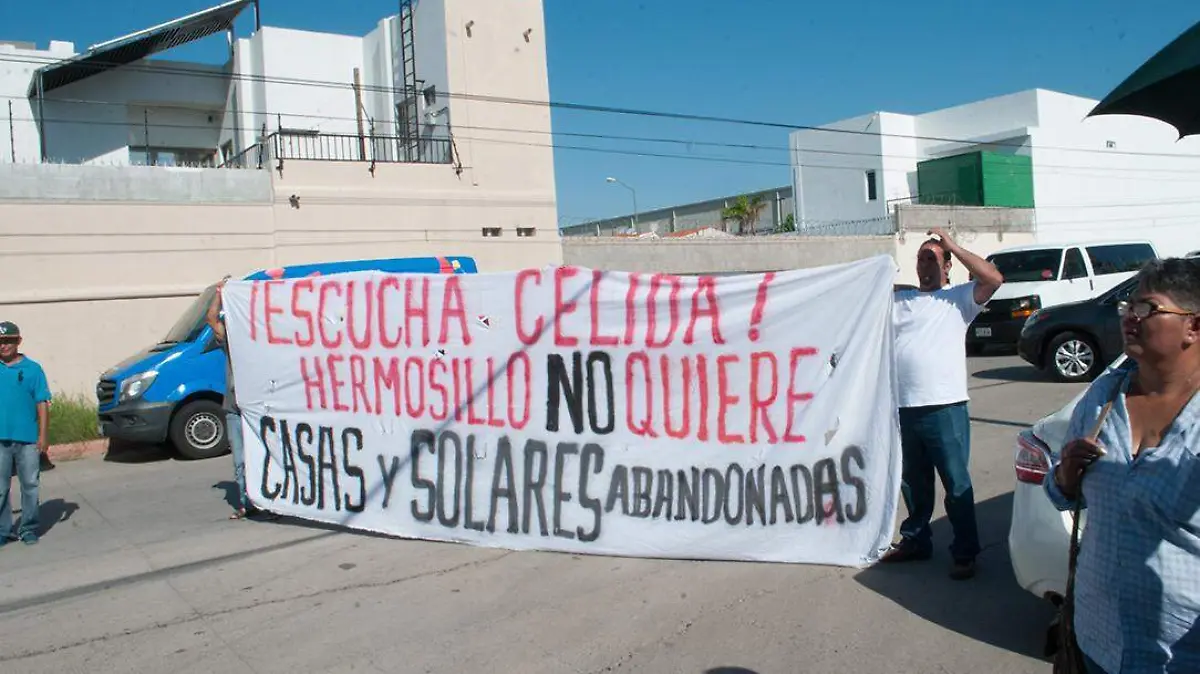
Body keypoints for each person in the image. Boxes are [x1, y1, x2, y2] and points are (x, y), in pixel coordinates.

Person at [1045, 257, 1200, 673]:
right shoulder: (1103, 395)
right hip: (1097, 638)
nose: (1130, 317)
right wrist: (1064, 476)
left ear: (1194, 326)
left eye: (1147, 308)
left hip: (1179, 650)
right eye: (1127, 307)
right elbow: (1062, 493)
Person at [882, 228, 1004, 579]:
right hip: (904, 408)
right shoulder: (900, 301)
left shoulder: (959, 298)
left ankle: (965, 551)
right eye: (921, 257)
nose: (925, 263)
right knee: (913, 483)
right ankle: (916, 541)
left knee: (956, 483)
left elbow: (994, 278)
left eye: (933, 257)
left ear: (948, 266)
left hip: (945, 408)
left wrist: (951, 244)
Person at [205, 278, 272, 521]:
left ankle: (270, 502)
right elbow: (211, 318)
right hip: (234, 407)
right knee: (240, 459)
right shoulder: (231, 342)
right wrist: (219, 294)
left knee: (265, 456)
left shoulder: (263, 343)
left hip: (259, 408)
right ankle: (247, 503)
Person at [0, 321, 51, 546]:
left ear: (18, 341)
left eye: (9, 341)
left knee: (30, 484)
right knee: (0, 488)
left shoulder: (33, 369)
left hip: (28, 438)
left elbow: (42, 402)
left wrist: (43, 436)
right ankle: (3, 530)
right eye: (1, 342)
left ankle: (28, 528)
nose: (4, 346)